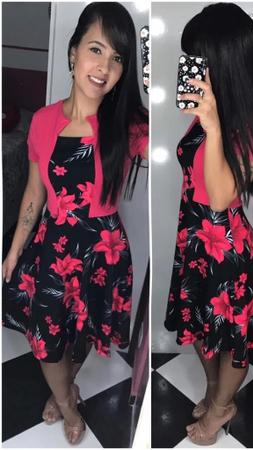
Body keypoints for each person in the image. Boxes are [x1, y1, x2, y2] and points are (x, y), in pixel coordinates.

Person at [2, 2, 148, 445]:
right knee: (47, 341)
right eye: (96, 50)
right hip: (55, 247)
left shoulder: (128, 126)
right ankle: (68, 402)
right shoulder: (44, 122)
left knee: (80, 331)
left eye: (117, 58)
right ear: (73, 53)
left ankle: (64, 388)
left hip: (103, 250)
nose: (104, 67)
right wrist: (14, 250)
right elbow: (34, 193)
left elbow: (179, 150)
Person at [164, 3, 253, 446]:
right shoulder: (211, 110)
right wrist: (208, 118)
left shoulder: (251, 125)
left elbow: (218, 197)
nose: (192, 67)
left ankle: (221, 408)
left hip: (226, 249)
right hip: (193, 239)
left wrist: (212, 126)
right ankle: (214, 390)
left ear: (225, 61)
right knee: (197, 323)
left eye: (199, 58)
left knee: (232, 339)